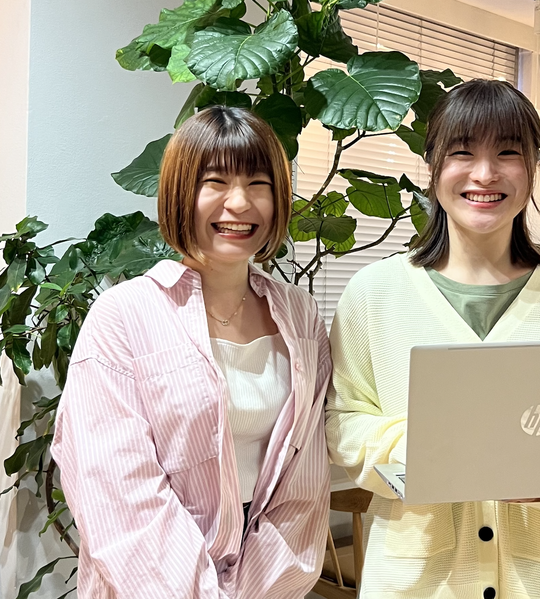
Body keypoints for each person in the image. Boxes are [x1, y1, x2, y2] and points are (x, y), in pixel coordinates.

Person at [325, 79, 540, 599]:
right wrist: (439, 447)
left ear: (533, 166)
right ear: (432, 164)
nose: (485, 174)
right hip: (416, 581)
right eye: (462, 152)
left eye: (508, 152)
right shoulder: (374, 293)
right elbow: (343, 424)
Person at [52, 106, 331, 598]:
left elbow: (303, 487)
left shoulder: (299, 314)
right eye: (215, 182)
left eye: (259, 183)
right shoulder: (124, 316)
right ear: (181, 193)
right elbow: (117, 493)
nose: (239, 203)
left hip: (267, 582)